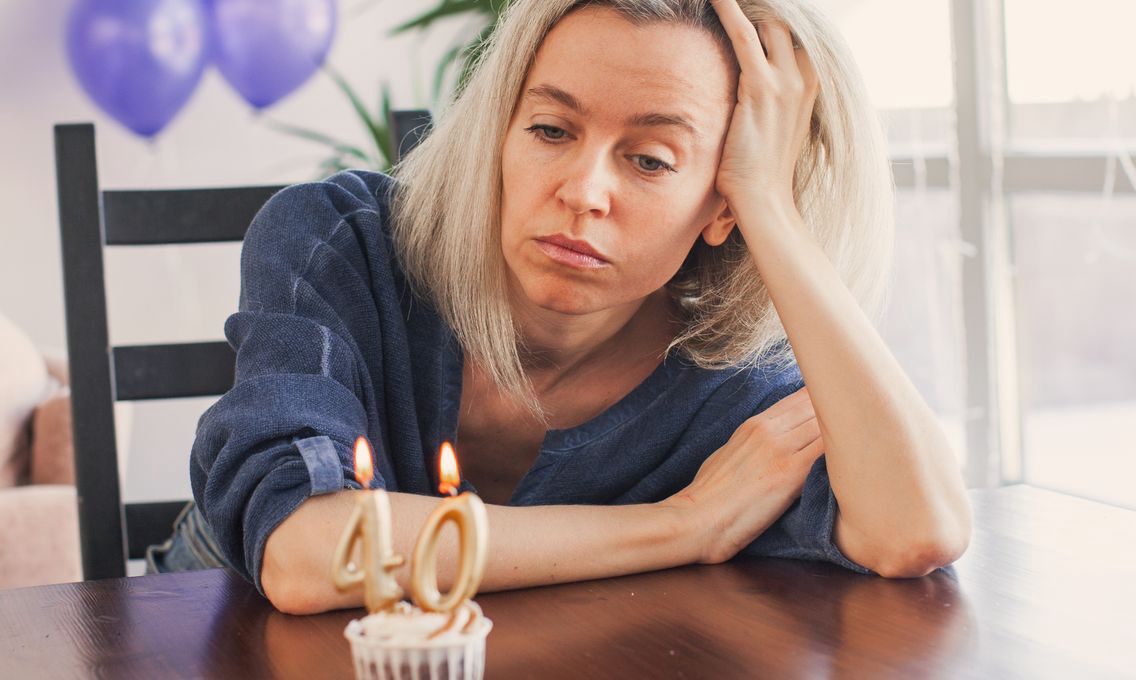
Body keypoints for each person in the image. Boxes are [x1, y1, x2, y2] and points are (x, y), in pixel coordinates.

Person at [182, 0, 972, 615]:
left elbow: (918, 530)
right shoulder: (340, 241)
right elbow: (309, 555)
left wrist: (772, 206)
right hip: (207, 631)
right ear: (500, 131)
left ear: (720, 205)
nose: (584, 192)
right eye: (551, 129)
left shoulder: (732, 383)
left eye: (651, 160)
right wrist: (684, 525)